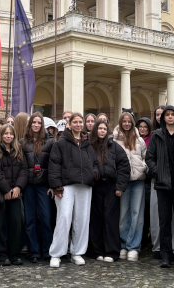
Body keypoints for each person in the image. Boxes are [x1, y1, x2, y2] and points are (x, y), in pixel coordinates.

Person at [48, 113, 99, 268]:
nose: (78, 124)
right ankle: (56, 253)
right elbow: (54, 165)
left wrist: (94, 173)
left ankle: (77, 252)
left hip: (85, 185)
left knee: (82, 220)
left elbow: (95, 163)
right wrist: (56, 186)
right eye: (75, 122)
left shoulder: (87, 144)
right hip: (66, 185)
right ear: (69, 124)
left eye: (80, 122)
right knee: (64, 218)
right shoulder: (61, 143)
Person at [145, 106, 174, 268]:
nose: (170, 117)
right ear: (163, 118)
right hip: (162, 185)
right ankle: (165, 255)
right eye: (167, 115)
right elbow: (149, 158)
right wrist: (158, 171)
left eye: (173, 115)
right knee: (164, 222)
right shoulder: (157, 135)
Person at [88, 120, 130, 262]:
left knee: (110, 219)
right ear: (95, 130)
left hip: (111, 187)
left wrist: (120, 187)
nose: (102, 131)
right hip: (95, 186)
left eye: (104, 129)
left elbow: (124, 167)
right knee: (96, 219)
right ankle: (97, 251)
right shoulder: (90, 147)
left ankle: (112, 252)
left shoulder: (115, 147)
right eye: (99, 128)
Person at [0, 124, 29, 266]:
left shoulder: (18, 150)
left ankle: (14, 254)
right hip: (0, 193)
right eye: (6, 133)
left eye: (11, 134)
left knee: (16, 223)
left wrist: (18, 187)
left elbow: (24, 170)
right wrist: (6, 190)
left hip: (15, 193)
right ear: (1, 135)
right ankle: (1, 254)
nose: (8, 136)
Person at [115, 113, 148, 261]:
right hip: (122, 181)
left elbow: (145, 157)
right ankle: (123, 244)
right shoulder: (115, 139)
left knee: (137, 214)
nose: (127, 124)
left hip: (138, 180)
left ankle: (133, 246)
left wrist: (143, 167)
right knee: (123, 214)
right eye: (124, 121)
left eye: (129, 121)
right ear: (120, 122)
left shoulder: (139, 140)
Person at [21, 113, 54, 263]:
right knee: (30, 219)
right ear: (30, 125)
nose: (36, 125)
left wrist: (53, 185)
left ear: (42, 125)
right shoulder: (22, 142)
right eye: (33, 122)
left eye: (39, 123)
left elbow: (53, 165)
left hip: (44, 185)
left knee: (46, 217)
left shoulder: (50, 142)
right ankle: (33, 251)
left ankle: (46, 250)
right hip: (28, 185)